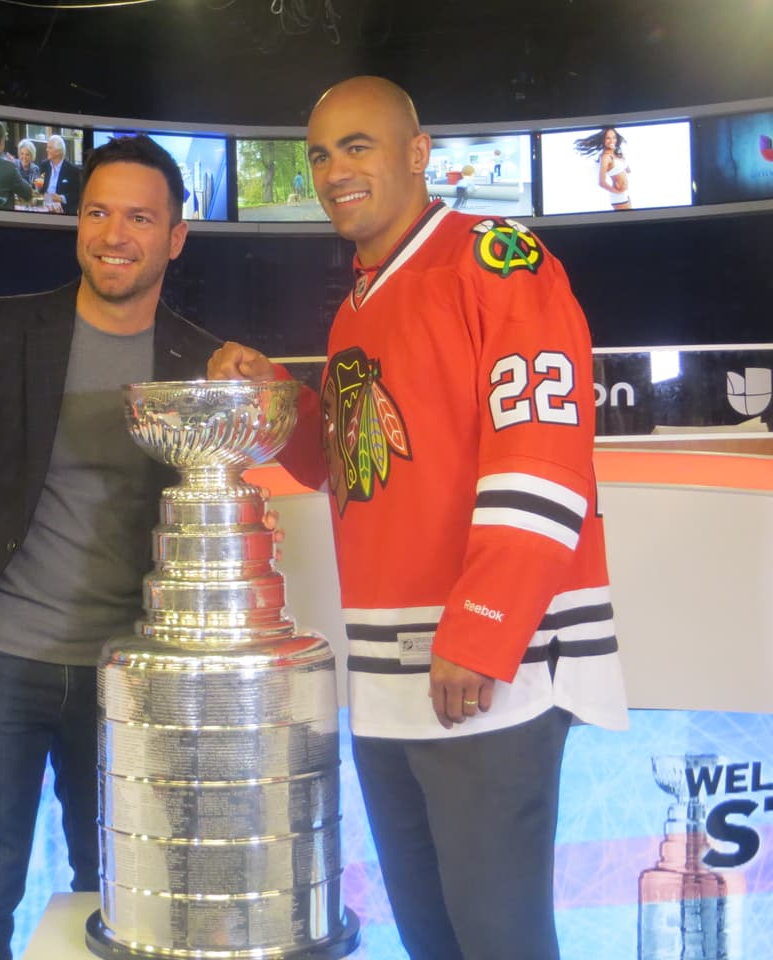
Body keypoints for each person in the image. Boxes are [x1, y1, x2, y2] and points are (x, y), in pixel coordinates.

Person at [209, 76, 627, 960]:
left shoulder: (495, 259)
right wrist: (276, 399)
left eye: (357, 146)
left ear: (418, 152)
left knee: (499, 937)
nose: (333, 171)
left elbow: (545, 453)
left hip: (483, 663)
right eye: (319, 154)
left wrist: (483, 626)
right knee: (433, 936)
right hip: (388, 674)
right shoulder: (357, 303)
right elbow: (350, 471)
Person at [0, 134, 220, 960]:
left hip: (130, 673)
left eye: (139, 217)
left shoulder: (198, 360)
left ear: (175, 236)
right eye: (97, 211)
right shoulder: (3, 332)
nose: (114, 233)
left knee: (124, 891)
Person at [575, 126, 631, 210]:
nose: (612, 141)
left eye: (614, 137)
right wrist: (617, 192)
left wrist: (624, 163)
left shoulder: (617, 155)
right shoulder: (605, 157)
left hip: (626, 193)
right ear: (603, 140)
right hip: (619, 196)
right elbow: (602, 182)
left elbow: (627, 171)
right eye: (608, 138)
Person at [40, 134, 82, 214]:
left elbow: (77, 194)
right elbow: (39, 186)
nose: (46, 150)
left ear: (58, 151)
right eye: (47, 147)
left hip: (62, 210)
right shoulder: (44, 165)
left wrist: (61, 198)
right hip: (44, 207)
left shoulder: (72, 170)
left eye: (50, 148)